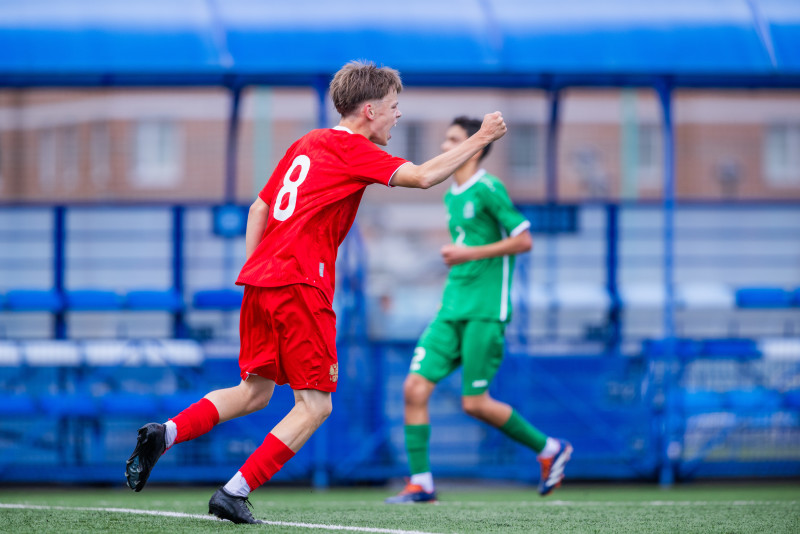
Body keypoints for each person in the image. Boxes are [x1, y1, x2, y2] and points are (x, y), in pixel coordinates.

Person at [124, 61, 507, 524]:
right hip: (301, 285)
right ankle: (234, 491)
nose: (397, 115)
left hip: (260, 280)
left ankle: (164, 434)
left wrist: (257, 267)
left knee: (253, 393)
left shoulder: (305, 144)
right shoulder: (354, 149)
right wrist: (481, 136)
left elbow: (257, 209)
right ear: (369, 110)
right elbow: (425, 176)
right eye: (393, 107)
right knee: (316, 404)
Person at [385, 117, 572, 504]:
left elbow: (524, 240)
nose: (443, 145)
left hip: (485, 309)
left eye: (453, 139)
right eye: (445, 137)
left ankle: (549, 448)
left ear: (476, 146)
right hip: (451, 308)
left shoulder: (488, 188)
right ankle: (421, 482)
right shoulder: (451, 193)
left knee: (475, 403)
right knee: (414, 387)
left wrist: (469, 253)